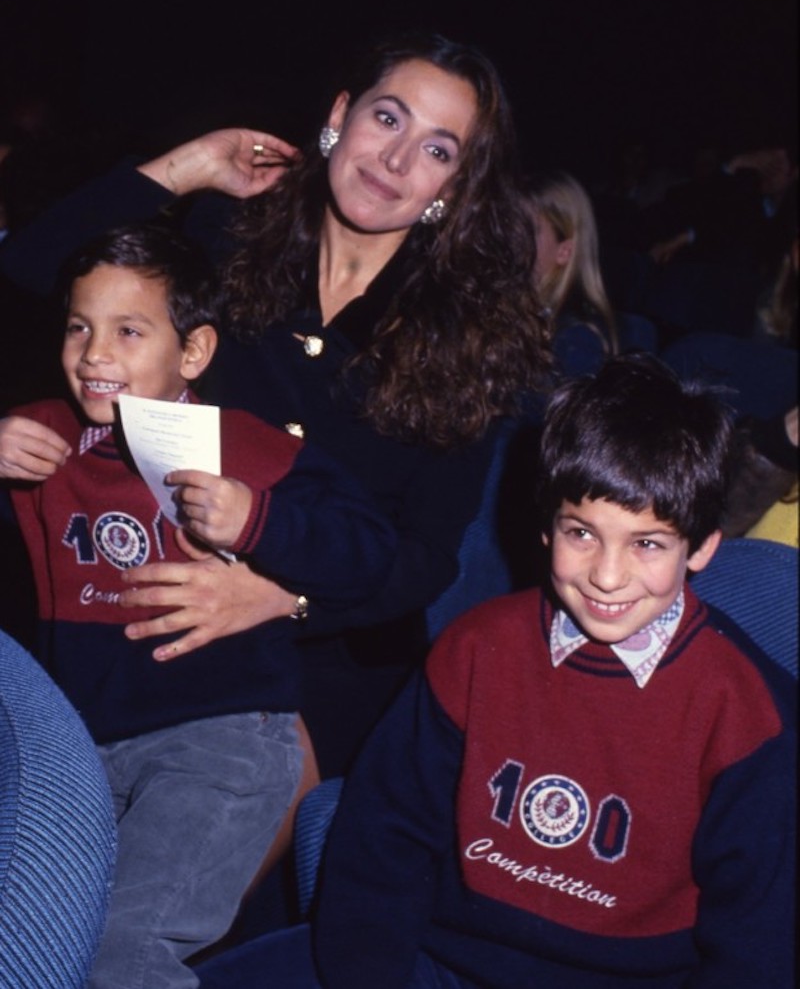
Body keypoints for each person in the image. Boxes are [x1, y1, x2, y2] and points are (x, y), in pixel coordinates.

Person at [0, 33, 551, 782]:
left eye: (438, 150)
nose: (396, 160)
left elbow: (424, 560)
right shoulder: (225, 238)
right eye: (388, 119)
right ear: (339, 117)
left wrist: (282, 598)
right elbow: (33, 267)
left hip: (327, 658)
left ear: (452, 187)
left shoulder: (470, 337)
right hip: (139, 612)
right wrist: (185, 169)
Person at [197, 353, 795, 988]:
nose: (608, 575)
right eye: (582, 533)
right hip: (438, 962)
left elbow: (756, 949)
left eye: (647, 543)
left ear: (701, 546)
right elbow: (383, 844)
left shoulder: (751, 714)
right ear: (546, 528)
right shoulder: (476, 650)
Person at [0, 224, 399, 988]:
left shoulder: (245, 447)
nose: (94, 355)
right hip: (78, 746)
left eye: (128, 331)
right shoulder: (39, 437)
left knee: (123, 953)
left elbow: (373, 554)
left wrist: (258, 520)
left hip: (219, 741)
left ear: (193, 353)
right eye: (80, 326)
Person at [519, 170, 618, 375]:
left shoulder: (578, 339)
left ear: (564, 251)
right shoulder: (511, 306)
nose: (509, 237)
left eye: (526, 229)